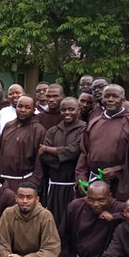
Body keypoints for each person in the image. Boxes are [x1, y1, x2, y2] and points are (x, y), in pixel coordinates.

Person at [75, 84, 129, 198]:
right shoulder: (94, 122)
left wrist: (117, 170)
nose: (110, 100)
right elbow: (84, 152)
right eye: (107, 96)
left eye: (115, 96)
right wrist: (81, 177)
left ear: (123, 99)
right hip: (94, 181)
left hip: (121, 183)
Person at [38, 97, 86, 234]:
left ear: (78, 110)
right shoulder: (53, 131)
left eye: (71, 109)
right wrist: (63, 158)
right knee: (53, 221)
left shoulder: (84, 128)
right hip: (54, 184)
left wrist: (50, 150)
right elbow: (44, 156)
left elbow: (76, 150)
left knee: (72, 221)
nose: (67, 113)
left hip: (72, 183)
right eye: (64, 109)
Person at [0, 95, 45, 192]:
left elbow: (40, 160)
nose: (23, 110)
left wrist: (34, 182)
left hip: (24, 181)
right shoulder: (8, 126)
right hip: (3, 181)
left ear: (34, 110)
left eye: (27, 107)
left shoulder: (38, 130)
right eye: (20, 106)